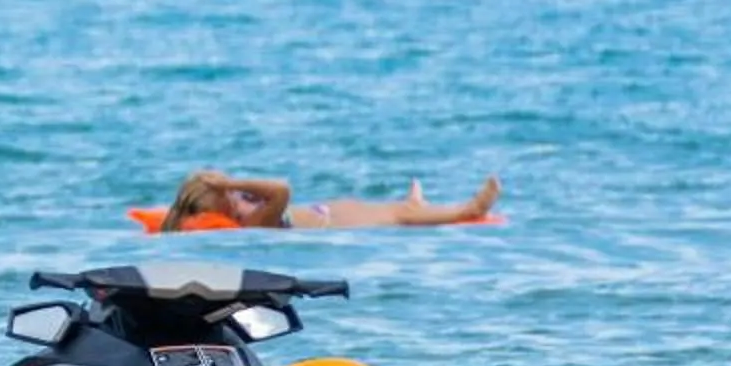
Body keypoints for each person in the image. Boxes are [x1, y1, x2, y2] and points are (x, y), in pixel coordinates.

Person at [156, 169, 501, 232]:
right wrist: (232, 182)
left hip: (333, 213)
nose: (240, 193)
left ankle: (419, 208)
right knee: (399, 215)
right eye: (233, 196)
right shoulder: (254, 222)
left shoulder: (245, 213)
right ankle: (469, 210)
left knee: (397, 209)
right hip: (340, 223)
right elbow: (282, 189)